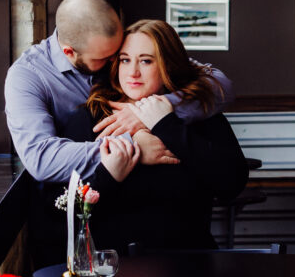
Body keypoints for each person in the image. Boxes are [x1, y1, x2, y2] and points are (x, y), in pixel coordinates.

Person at [37, 19, 248, 262]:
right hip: (114, 269)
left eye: (146, 61)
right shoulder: (92, 117)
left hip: (189, 267)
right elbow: (56, 210)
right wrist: (109, 175)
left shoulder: (198, 116)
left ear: (169, 64)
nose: (133, 72)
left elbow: (232, 184)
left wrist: (165, 124)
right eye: (125, 60)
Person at [4, 0, 234, 183]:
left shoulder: (114, 46)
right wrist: (131, 146)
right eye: (111, 58)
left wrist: (155, 111)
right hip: (85, 197)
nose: (119, 63)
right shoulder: (28, 77)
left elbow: (219, 83)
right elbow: (41, 159)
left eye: (121, 54)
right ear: (69, 52)